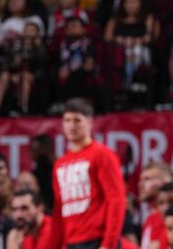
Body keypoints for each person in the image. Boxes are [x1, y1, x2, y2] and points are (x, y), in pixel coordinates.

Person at [40, 98, 126, 249]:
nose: (71, 126)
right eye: (67, 120)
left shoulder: (102, 155)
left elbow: (116, 200)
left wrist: (108, 244)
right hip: (72, 242)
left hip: (97, 239)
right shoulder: (60, 164)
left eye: (77, 120)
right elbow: (59, 211)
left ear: (90, 123)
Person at [139, 164, 172, 249]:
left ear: (165, 180)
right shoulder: (151, 219)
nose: (140, 184)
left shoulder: (166, 218)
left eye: (147, 179)